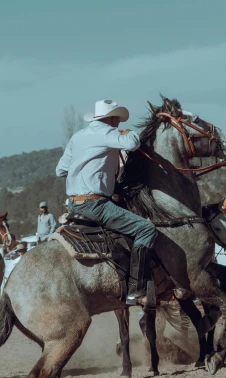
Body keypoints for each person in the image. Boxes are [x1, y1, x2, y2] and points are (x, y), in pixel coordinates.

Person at [56, 98, 157, 304]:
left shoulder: (78, 136)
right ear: (111, 119)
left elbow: (60, 170)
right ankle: (135, 290)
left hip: (74, 203)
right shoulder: (108, 132)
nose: (119, 123)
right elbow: (133, 143)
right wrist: (126, 133)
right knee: (146, 229)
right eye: (117, 120)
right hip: (95, 204)